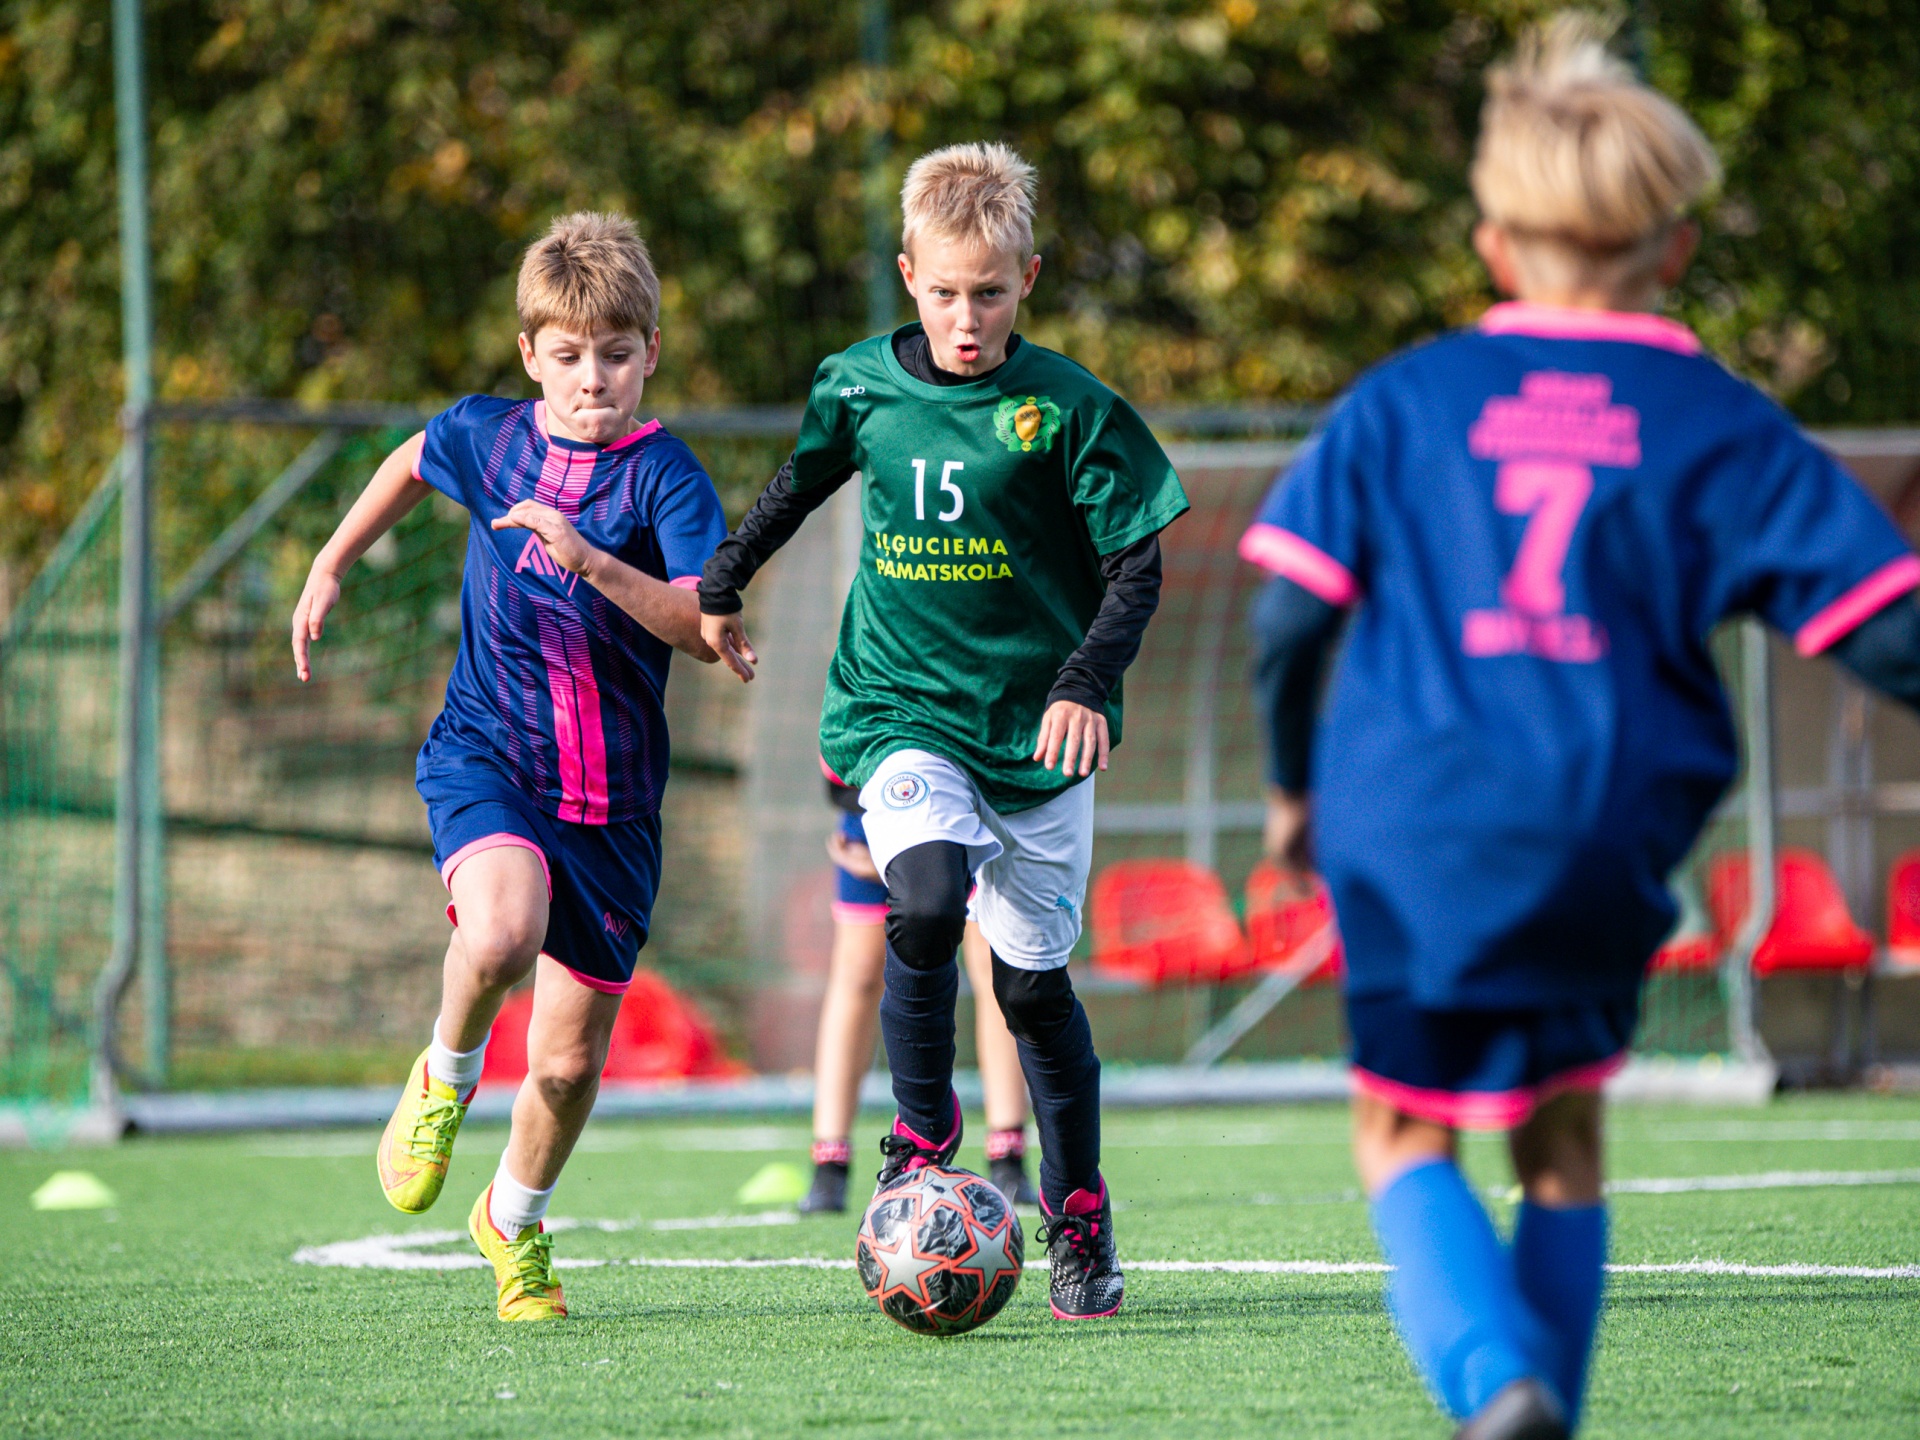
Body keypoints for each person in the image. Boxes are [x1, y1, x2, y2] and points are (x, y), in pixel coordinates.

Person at [1244, 16, 1920, 1439]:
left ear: (1494, 246)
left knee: (1400, 1130)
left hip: (1409, 820)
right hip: (1606, 829)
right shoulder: (1717, 422)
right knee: (1563, 1133)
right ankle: (1544, 1406)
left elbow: (1289, 618)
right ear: (1674, 251)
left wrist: (1295, 790)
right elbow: (1889, 631)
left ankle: (1496, 1386)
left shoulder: (1408, 399)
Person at [699, 142, 1188, 1319]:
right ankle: (920, 1136)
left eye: (992, 294)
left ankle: (1078, 1215)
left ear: (1029, 279)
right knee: (921, 904)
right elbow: (801, 481)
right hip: (899, 708)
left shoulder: (1070, 409)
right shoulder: (859, 386)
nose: (967, 321)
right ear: (910, 275)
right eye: (946, 293)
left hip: (1037, 737)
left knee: (1030, 993)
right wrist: (723, 579)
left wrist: (1082, 683)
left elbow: (1137, 567)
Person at [291, 213, 727, 1322]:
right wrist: (333, 560)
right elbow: (411, 457)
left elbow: (697, 624)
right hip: (489, 753)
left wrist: (591, 561)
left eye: (616, 355)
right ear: (531, 353)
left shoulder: (668, 480)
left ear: (651, 353)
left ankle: (513, 1222)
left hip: (614, 806)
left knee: (569, 1067)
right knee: (498, 934)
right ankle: (444, 1075)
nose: (593, 380)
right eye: (569, 356)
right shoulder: (488, 439)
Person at [801, 774, 1040, 1214]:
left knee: (994, 966)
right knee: (858, 971)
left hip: (975, 802)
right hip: (882, 801)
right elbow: (837, 761)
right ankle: (830, 1162)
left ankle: (1007, 1154)